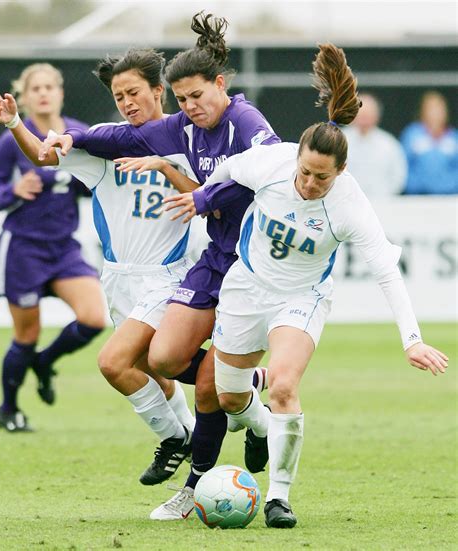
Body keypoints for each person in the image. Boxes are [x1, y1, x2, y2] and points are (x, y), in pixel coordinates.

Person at [165, 43, 449, 529]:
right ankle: (256, 422)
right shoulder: (272, 163)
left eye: (322, 178)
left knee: (285, 384)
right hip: (246, 287)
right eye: (305, 172)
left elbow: (386, 271)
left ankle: (279, 497)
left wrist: (413, 340)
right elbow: (231, 169)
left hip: (301, 298)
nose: (310, 184)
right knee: (230, 398)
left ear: (340, 172)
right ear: (294, 158)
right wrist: (205, 197)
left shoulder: (350, 204)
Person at [38, 11, 279, 520]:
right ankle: (254, 407)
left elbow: (270, 175)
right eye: (185, 100)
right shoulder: (179, 129)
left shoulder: (245, 121)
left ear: (220, 85)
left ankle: (196, 488)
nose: (192, 108)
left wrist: (201, 192)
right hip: (215, 259)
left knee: (209, 384)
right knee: (164, 359)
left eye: (197, 97)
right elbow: (117, 140)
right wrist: (71, 139)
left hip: (255, 268)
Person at [0, 49, 201, 481]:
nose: (126, 101)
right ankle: (200, 433)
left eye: (134, 92)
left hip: (168, 276)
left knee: (116, 362)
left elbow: (208, 197)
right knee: (151, 369)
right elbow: (43, 156)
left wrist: (166, 167)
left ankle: (184, 435)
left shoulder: (187, 139)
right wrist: (15, 124)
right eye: (118, 94)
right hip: (119, 278)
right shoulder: (106, 142)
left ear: (159, 91)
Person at [0, 63, 107, 432]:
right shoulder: (12, 140)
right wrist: (14, 192)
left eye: (48, 86)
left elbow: (94, 182)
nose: (42, 93)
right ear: (23, 96)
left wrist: (81, 182)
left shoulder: (77, 133)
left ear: (60, 92)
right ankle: (9, 409)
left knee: (94, 318)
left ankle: (44, 362)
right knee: (26, 334)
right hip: (23, 249)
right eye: (34, 88)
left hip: (64, 248)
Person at [343, 93, 407, 196]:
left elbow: (399, 175)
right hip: (346, 202)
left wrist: (386, 195)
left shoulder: (389, 144)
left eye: (368, 115)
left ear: (376, 116)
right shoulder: (338, 141)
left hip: (382, 203)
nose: (364, 119)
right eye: (361, 114)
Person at [400, 91, 458, 194]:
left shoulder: (454, 137)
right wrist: (417, 185)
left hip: (449, 197)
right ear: (423, 111)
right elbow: (402, 165)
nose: (435, 113)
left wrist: (446, 185)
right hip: (417, 197)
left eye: (439, 109)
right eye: (431, 108)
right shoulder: (412, 135)